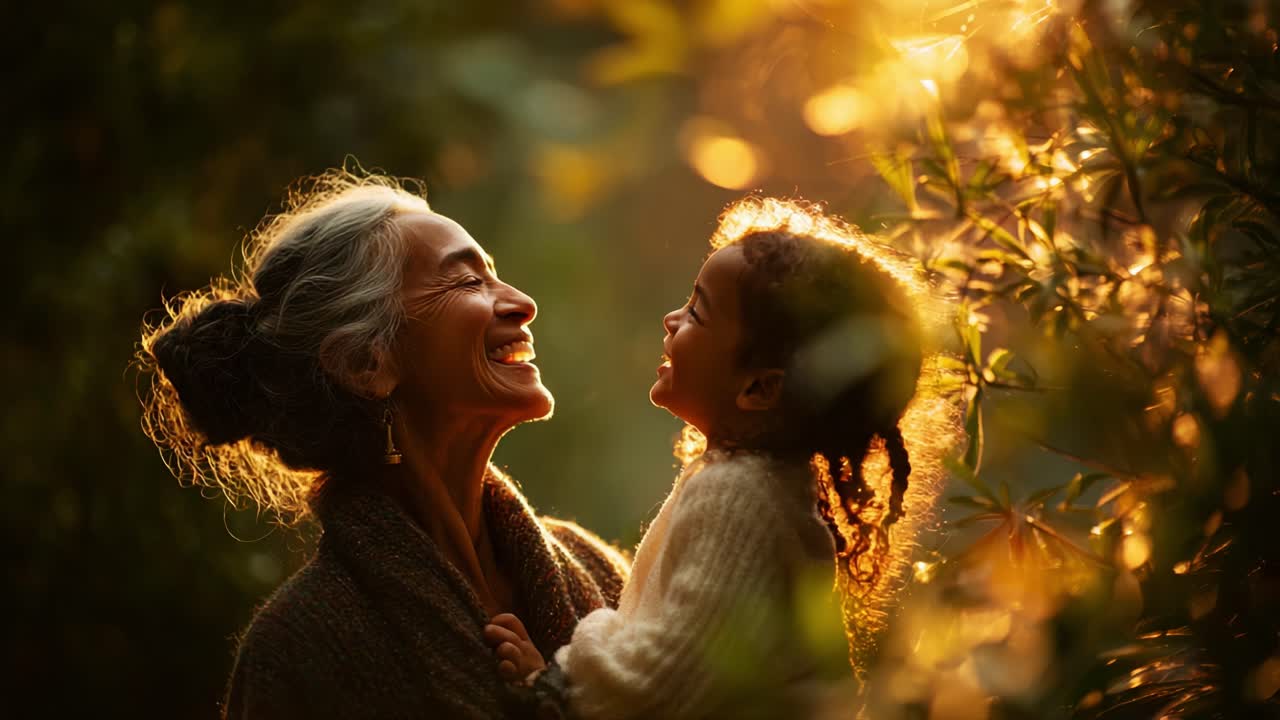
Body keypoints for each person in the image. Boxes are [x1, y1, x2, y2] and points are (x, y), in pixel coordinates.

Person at [136, 170, 629, 719]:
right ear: (365, 364)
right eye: (467, 282)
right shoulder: (301, 651)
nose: (522, 303)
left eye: (494, 274)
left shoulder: (596, 570)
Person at [484, 197, 933, 719]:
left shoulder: (738, 494)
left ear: (759, 388)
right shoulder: (765, 488)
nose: (672, 319)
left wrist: (556, 682)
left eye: (697, 311)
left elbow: (665, 679)